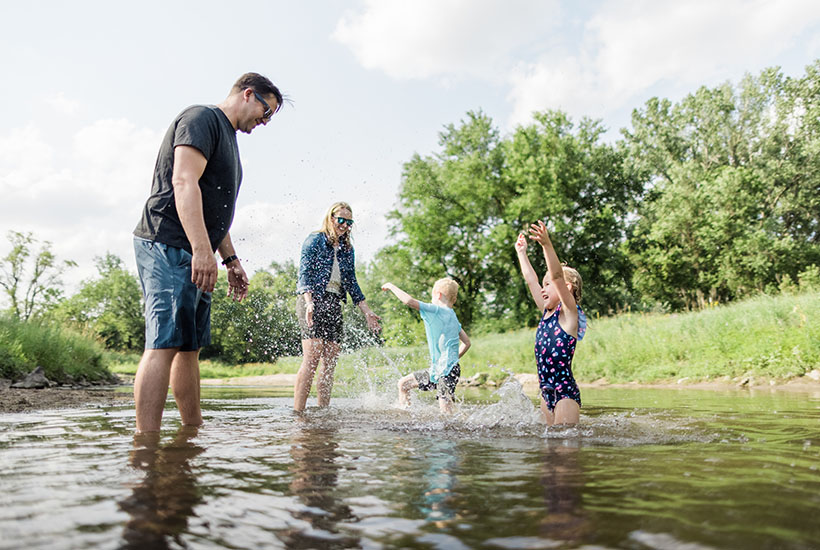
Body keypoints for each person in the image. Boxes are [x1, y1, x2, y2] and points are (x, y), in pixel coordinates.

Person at [132, 73, 284, 433]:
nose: (264, 122)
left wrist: (229, 259)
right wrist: (202, 250)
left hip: (196, 249)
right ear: (249, 94)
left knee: (189, 347)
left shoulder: (229, 140)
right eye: (266, 111)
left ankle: (192, 433)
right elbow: (183, 182)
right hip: (167, 242)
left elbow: (214, 209)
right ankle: (145, 445)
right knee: (164, 343)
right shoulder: (202, 119)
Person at [293, 202, 381, 411]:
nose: (344, 225)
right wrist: (309, 303)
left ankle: (323, 411)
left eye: (349, 222)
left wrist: (367, 311)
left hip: (333, 303)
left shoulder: (347, 250)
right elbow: (304, 274)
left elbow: (351, 282)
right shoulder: (314, 240)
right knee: (312, 359)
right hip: (311, 301)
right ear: (331, 218)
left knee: (330, 362)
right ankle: (298, 414)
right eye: (341, 220)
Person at [514, 220, 587, 426]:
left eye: (549, 285)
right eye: (543, 285)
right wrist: (522, 253)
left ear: (566, 287)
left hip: (565, 393)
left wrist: (546, 244)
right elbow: (531, 280)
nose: (543, 288)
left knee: (564, 447)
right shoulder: (547, 312)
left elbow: (555, 275)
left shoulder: (569, 315)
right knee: (550, 450)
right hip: (545, 392)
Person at [381, 278, 471, 414]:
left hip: (446, 372)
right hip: (440, 369)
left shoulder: (436, 310)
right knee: (404, 384)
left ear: (438, 295)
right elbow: (467, 343)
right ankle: (406, 415)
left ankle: (456, 428)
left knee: (446, 410)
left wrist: (391, 286)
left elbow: (409, 301)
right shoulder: (453, 316)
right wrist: (452, 359)